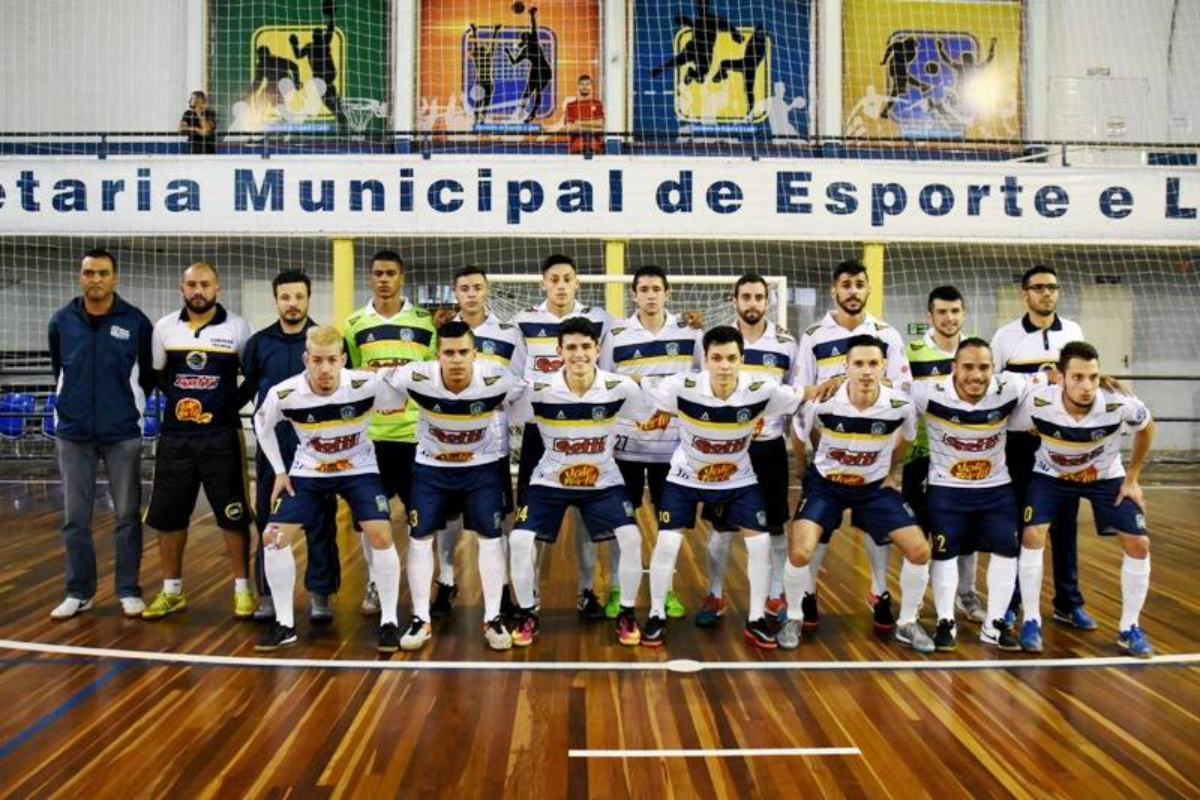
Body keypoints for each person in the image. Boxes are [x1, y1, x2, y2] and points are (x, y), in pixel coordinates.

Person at [641, 325, 803, 650]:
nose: (724, 365)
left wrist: (838, 384)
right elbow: (638, 384)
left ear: (742, 359)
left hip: (738, 479)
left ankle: (756, 618)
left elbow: (802, 395)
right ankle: (656, 614)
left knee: (760, 544)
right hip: (685, 478)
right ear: (705, 360)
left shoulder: (762, 389)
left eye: (731, 358)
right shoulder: (681, 386)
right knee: (668, 542)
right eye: (716, 358)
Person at [251, 326, 403, 652]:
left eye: (332, 360)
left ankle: (389, 622)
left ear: (343, 360)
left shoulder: (364, 384)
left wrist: (389, 374)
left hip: (358, 468)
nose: (324, 368)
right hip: (308, 471)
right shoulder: (284, 393)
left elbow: (400, 397)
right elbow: (261, 425)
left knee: (380, 534)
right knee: (272, 538)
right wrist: (279, 471)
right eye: (317, 360)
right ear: (306, 359)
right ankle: (285, 625)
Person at [781, 335, 933, 653]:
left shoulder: (900, 405)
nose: (866, 371)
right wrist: (803, 471)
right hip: (826, 486)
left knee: (920, 551)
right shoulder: (822, 401)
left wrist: (889, 470)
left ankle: (907, 622)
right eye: (859, 364)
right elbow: (798, 433)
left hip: (873, 488)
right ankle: (793, 616)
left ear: (884, 367)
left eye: (873, 364)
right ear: (846, 366)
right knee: (800, 552)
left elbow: (906, 439)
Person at [507, 317, 648, 647]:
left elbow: (641, 418)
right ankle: (527, 612)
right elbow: (511, 415)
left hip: (603, 481)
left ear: (597, 350)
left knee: (631, 537)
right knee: (519, 540)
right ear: (558, 352)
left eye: (586, 346)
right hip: (549, 480)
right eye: (571, 347)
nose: (579, 354)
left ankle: (627, 613)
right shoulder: (538, 391)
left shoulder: (621, 387)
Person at [1010, 341, 1156, 658]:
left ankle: (1129, 628)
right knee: (1033, 534)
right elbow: (1006, 425)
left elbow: (1147, 428)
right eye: (1077, 377)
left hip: (1104, 477)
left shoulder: (1119, 402)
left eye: (1093, 377)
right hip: (1051, 476)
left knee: (1139, 543)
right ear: (1060, 377)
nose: (1087, 386)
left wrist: (1132, 477)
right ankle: (1031, 620)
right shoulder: (1037, 402)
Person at [385, 321, 525, 651]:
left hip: (482, 468)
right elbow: (375, 379)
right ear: (438, 355)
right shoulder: (414, 376)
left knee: (491, 537)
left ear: (475, 353)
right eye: (449, 353)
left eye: (463, 352)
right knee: (419, 538)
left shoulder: (499, 378)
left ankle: (492, 618)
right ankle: (421, 619)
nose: (457, 359)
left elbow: (529, 395)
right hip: (432, 468)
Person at [793, 259, 910, 632]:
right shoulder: (813, 335)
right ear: (834, 290)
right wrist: (811, 451)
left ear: (868, 289)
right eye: (846, 284)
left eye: (860, 284)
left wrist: (889, 463)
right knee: (820, 529)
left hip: (874, 452)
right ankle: (808, 593)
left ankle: (879, 591)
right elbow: (803, 394)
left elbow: (902, 394)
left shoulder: (888, 334)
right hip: (828, 451)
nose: (853, 291)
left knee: (878, 529)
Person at [906, 338, 1035, 651]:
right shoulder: (926, 392)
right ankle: (945, 622)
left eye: (984, 367)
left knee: (1007, 551)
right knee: (945, 553)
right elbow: (885, 390)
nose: (976, 375)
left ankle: (994, 625)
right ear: (953, 368)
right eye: (968, 367)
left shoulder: (1012, 387)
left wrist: (1098, 382)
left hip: (996, 488)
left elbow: (1052, 379)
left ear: (994, 369)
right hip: (946, 489)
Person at [47, 248, 156, 619]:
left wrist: (126, 409)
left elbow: (147, 376)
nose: (96, 279)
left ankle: (128, 589)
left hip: (122, 432)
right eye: (89, 273)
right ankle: (79, 592)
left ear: (115, 278)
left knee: (127, 514)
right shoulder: (62, 320)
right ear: (81, 277)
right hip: (73, 432)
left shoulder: (136, 322)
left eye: (103, 273)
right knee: (75, 517)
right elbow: (60, 370)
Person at [142, 263, 254, 619]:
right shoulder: (164, 327)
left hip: (222, 436)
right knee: (168, 516)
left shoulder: (238, 327)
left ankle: (243, 590)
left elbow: (252, 376)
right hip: (175, 437)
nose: (198, 290)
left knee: (233, 514)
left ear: (217, 288)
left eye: (205, 284)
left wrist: (227, 405)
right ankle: (172, 591)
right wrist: (184, 404)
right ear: (182, 289)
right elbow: (159, 375)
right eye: (191, 284)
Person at [991, 265, 1092, 630]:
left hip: (1062, 443)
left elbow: (1082, 382)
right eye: (1038, 288)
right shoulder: (1005, 337)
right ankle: (1012, 601)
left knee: (1065, 526)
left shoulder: (1074, 332)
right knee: (1021, 525)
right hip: (1019, 444)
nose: (1046, 293)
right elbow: (994, 388)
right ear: (1025, 294)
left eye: (1052, 287)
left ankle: (1068, 602)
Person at [512, 254, 613, 619]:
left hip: (587, 429)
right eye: (553, 279)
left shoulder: (600, 320)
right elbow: (516, 378)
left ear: (577, 282)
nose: (560, 285)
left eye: (567, 278)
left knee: (588, 517)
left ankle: (587, 591)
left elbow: (609, 373)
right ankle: (531, 595)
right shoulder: (523, 321)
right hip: (541, 432)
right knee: (531, 519)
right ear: (543, 282)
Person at [599, 265, 701, 620]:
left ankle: (666, 589)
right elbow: (605, 383)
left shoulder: (690, 331)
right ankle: (618, 588)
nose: (651, 295)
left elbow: (700, 382)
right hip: (626, 446)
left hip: (672, 449)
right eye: (643, 289)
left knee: (668, 525)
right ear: (634, 295)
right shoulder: (617, 334)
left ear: (667, 293)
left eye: (657, 288)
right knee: (623, 524)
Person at [239, 270, 338, 623]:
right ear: (276, 300)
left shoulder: (324, 343)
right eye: (285, 297)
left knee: (321, 522)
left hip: (317, 448)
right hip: (273, 451)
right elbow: (249, 388)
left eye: (299, 296)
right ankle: (267, 594)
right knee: (269, 521)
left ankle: (321, 595)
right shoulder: (258, 343)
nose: (292, 303)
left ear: (309, 298)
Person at [343, 250, 438, 617]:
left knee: (422, 520)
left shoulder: (425, 322)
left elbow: (433, 376)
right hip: (372, 439)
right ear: (370, 278)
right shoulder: (354, 324)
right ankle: (374, 581)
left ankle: (420, 585)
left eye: (390, 273)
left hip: (416, 437)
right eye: (378, 273)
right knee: (371, 521)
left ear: (402, 277)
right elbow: (352, 378)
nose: (383, 279)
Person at [699, 274, 797, 628]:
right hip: (727, 448)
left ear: (768, 301)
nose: (752, 303)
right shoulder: (718, 339)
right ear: (734, 300)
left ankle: (775, 593)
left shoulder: (786, 343)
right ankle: (715, 593)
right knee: (722, 527)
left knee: (775, 525)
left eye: (758, 297)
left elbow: (793, 396)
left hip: (769, 448)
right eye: (746, 297)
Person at [430, 266, 526, 617]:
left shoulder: (509, 333)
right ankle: (446, 582)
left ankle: (502, 591)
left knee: (497, 522)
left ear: (487, 291)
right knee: (448, 520)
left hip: (492, 445)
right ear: (455, 292)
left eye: (477, 287)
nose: (471, 294)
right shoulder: (443, 332)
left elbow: (518, 382)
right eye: (464, 288)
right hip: (448, 442)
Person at [902, 285, 987, 625]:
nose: (949, 318)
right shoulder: (912, 352)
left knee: (966, 533)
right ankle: (918, 602)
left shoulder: (976, 350)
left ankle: (965, 595)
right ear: (930, 316)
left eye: (955, 311)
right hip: (921, 456)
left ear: (964, 313)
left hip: (964, 455)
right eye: (942, 312)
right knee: (920, 533)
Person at [564, 74, 604, 155]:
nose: (584, 87)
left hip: (595, 147)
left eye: (587, 84)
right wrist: (593, 127)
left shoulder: (597, 104)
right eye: (582, 84)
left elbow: (600, 124)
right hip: (576, 148)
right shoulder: (570, 105)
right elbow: (570, 128)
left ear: (591, 86)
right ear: (578, 86)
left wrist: (578, 122)